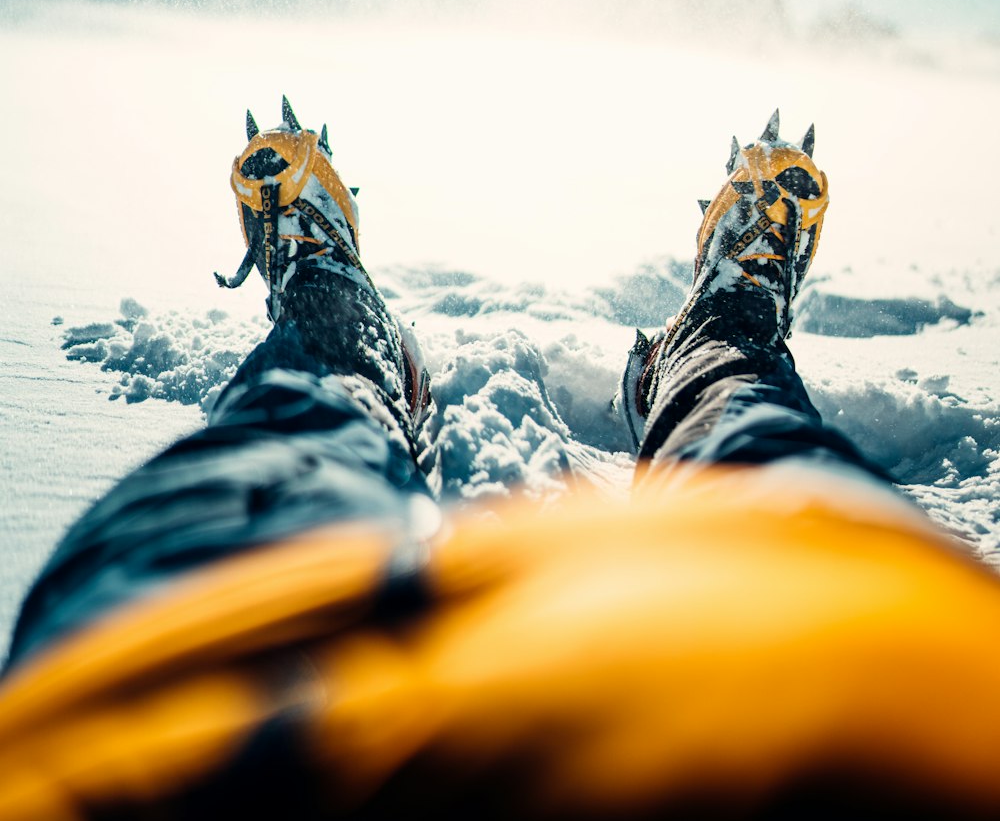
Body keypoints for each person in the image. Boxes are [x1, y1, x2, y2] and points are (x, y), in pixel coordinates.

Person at [2, 100, 999, 820]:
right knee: (766, 445)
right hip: (865, 665)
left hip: (143, 710)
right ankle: (717, 341)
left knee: (275, 442)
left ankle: (339, 328)